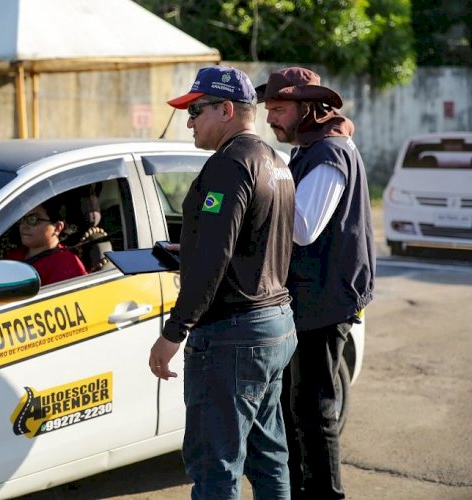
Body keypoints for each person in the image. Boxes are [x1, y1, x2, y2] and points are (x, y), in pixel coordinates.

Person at [148, 65, 297, 499]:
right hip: (273, 325)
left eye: (195, 110)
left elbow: (214, 258)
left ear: (227, 109)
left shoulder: (228, 167)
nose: (189, 121)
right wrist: (192, 249)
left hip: (234, 335)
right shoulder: (276, 163)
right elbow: (251, 241)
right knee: (269, 459)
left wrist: (173, 332)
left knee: (215, 467)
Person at [256, 66, 375, 499]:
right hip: (308, 297)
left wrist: (258, 197)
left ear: (309, 108)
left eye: (280, 108)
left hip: (324, 300)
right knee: (296, 408)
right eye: (269, 108)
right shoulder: (312, 147)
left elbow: (304, 226)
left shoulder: (329, 152)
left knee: (315, 410)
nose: (271, 118)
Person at [5, 198, 87, 286]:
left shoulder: (66, 264)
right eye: (22, 219)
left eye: (33, 220)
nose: (23, 226)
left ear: (57, 227)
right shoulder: (14, 256)